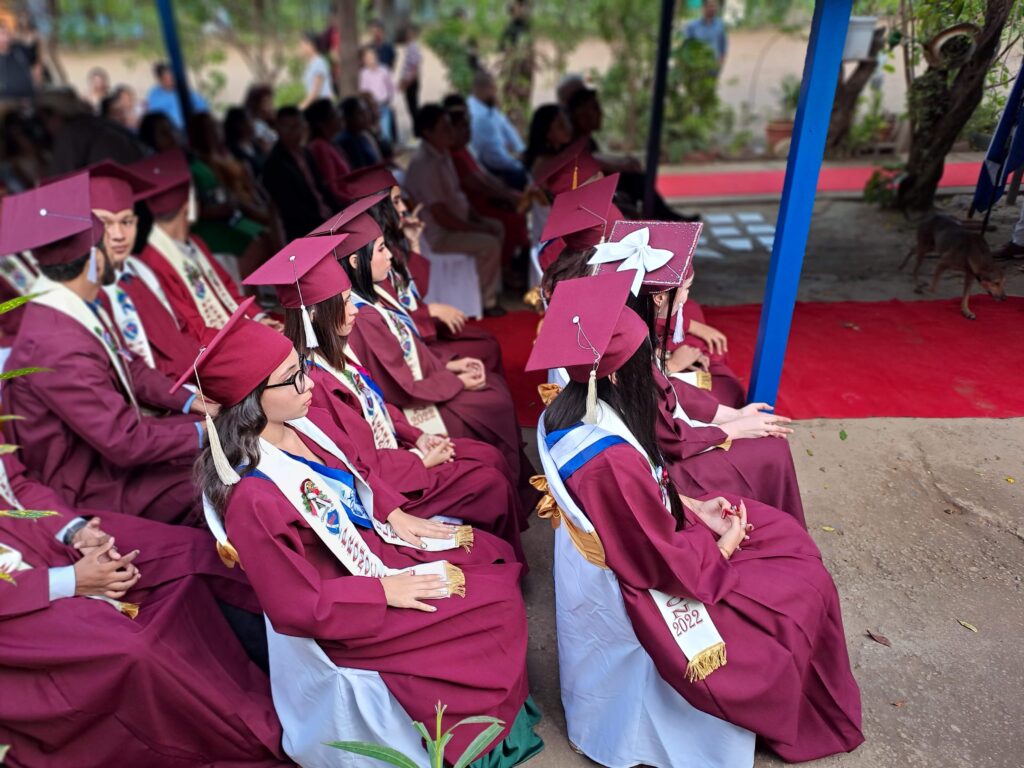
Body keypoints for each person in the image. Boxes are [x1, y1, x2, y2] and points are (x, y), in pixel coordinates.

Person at [184, 302, 543, 767]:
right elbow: (296, 605)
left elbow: (358, 477)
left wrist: (395, 516)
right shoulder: (253, 497)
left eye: (303, 369)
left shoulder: (299, 426)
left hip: (369, 548)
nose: (309, 383)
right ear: (253, 399)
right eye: (293, 377)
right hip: (345, 604)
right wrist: (383, 591)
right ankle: (477, 743)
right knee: (492, 607)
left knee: (489, 554)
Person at [529, 271, 863, 765]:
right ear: (618, 374)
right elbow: (661, 562)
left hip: (658, 539)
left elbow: (641, 503)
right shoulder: (607, 459)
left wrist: (695, 508)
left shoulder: (577, 410)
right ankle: (798, 710)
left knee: (782, 533)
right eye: (646, 361)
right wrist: (724, 545)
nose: (656, 371)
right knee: (798, 588)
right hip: (658, 578)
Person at [0, 452, 289, 768]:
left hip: (40, 539)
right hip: (15, 605)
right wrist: (72, 580)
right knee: (134, 650)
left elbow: (13, 484)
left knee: (191, 555)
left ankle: (280, 698)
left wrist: (76, 531)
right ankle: (239, 743)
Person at [243, 237, 527, 549]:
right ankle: (493, 554)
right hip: (383, 488)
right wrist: (419, 460)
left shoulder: (339, 354)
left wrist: (416, 436)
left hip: (395, 453)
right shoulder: (314, 382)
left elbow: (376, 401)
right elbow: (357, 464)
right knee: (489, 482)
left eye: (352, 299)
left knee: (487, 455)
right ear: (313, 315)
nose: (354, 311)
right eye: (345, 303)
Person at [0, 175, 208, 524]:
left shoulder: (71, 306)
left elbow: (129, 367)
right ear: (93, 260)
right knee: (227, 476)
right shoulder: (57, 344)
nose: (119, 242)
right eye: (106, 239)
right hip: (91, 488)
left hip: (107, 459)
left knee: (237, 450)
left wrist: (191, 402)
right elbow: (126, 442)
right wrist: (207, 432)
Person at [323, 207, 537, 510]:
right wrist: (452, 380)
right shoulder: (361, 316)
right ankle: (516, 495)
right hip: (407, 405)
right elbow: (397, 385)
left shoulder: (373, 294)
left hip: (419, 383)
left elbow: (407, 341)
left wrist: (447, 368)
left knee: (492, 387)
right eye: (381, 249)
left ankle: (517, 490)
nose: (390, 256)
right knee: (491, 404)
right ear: (356, 261)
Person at [343, 166, 506, 374]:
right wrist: (429, 311)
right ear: (378, 208)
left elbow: (414, 292)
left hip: (416, 333)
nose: (403, 208)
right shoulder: (367, 259)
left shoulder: (389, 246)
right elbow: (388, 314)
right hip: (403, 348)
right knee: (485, 347)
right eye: (395, 201)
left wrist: (413, 241)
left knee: (485, 341)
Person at [133, 149, 267, 342]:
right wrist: (249, 333)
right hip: (208, 348)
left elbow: (229, 290)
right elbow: (192, 329)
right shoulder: (152, 262)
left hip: (234, 331)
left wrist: (258, 318)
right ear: (188, 205)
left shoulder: (196, 244)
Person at [87, 161, 200, 380]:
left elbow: (182, 332)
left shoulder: (142, 270)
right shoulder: (89, 291)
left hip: (192, 378)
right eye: (105, 223)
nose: (119, 235)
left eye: (126, 222)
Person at [404, 104, 504, 316]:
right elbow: (441, 215)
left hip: (454, 225)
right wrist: (476, 228)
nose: (451, 132)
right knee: (489, 243)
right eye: (444, 128)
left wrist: (480, 223)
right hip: (439, 235)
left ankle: (482, 291)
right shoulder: (425, 164)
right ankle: (486, 302)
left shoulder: (443, 154)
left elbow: (459, 198)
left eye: (450, 126)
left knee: (496, 227)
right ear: (427, 133)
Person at [567, 85, 696, 221]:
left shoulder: (587, 139)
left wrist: (624, 162)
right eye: (595, 108)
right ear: (580, 114)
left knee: (633, 182)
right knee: (634, 181)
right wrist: (622, 164)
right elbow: (588, 160)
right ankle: (663, 215)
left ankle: (661, 214)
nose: (601, 113)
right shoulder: (573, 140)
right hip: (585, 197)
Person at [445, 95, 531, 287]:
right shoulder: (452, 155)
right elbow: (477, 183)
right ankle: (504, 268)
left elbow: (484, 176)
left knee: (519, 208)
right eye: (463, 127)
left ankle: (516, 260)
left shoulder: (464, 150)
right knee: (510, 218)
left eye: (468, 126)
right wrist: (508, 195)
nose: (467, 131)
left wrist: (508, 192)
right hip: (474, 205)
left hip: (482, 199)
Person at [186, 111, 274, 276]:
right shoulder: (196, 168)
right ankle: (248, 290)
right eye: (210, 129)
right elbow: (197, 210)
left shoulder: (224, 154)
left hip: (232, 215)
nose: (216, 132)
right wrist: (226, 208)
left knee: (268, 231)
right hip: (212, 225)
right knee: (258, 240)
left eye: (216, 127)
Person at [261, 106, 337, 242]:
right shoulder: (275, 164)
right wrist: (325, 222)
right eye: (287, 127)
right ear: (278, 129)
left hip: (326, 216)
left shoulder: (306, 153)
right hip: (305, 229)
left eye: (296, 127)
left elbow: (320, 187)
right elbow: (291, 210)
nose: (292, 132)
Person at [467, 70, 528, 190]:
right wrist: (518, 165)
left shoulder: (490, 110)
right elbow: (495, 158)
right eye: (493, 88)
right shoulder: (479, 116)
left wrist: (523, 153)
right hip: (490, 169)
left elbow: (510, 134)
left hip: (504, 160)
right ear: (483, 89)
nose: (496, 92)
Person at [304, 97, 352, 203]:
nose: (340, 117)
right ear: (322, 123)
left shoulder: (329, 143)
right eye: (335, 114)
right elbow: (333, 189)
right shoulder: (319, 147)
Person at [144, 62, 208, 131]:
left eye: (173, 77)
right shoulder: (155, 95)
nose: (172, 80)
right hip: (169, 131)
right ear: (160, 80)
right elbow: (155, 117)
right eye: (167, 78)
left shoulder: (184, 90)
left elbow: (202, 107)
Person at [358, 45, 396, 145]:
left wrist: (390, 97)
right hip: (371, 106)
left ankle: (387, 146)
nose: (370, 60)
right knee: (374, 131)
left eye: (372, 57)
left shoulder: (384, 71)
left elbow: (391, 86)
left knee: (385, 131)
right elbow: (364, 90)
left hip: (383, 103)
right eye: (367, 58)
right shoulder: (364, 74)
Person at [336, 95, 383, 169]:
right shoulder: (347, 140)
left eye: (366, 112)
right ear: (348, 118)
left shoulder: (363, 135)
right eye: (360, 113)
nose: (367, 116)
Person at [684, 0, 728, 74]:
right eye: (710, 6)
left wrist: (722, 59)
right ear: (703, 8)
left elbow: (723, 43)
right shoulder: (692, 26)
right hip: (697, 65)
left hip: (714, 64)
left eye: (715, 6)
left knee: (711, 85)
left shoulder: (720, 25)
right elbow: (687, 45)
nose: (713, 9)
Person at [0, 20, 35, 101]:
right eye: (2, 34)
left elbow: (36, 60)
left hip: (25, 100)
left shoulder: (20, 51)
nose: (5, 37)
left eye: (7, 33)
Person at [298, 32, 335, 109]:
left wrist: (300, 108)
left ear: (311, 45)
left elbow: (315, 93)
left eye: (302, 45)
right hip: (316, 107)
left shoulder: (319, 63)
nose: (300, 48)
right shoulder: (311, 64)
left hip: (323, 108)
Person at [243, 83, 278, 155]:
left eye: (271, 102)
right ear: (256, 105)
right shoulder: (257, 126)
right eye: (266, 103)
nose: (271, 107)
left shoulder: (266, 124)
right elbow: (268, 151)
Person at [399, 24, 422, 126]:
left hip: (411, 81)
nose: (407, 35)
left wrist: (407, 82)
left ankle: (417, 131)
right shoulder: (410, 47)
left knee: (413, 107)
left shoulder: (413, 47)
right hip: (409, 80)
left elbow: (414, 67)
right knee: (412, 107)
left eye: (409, 33)